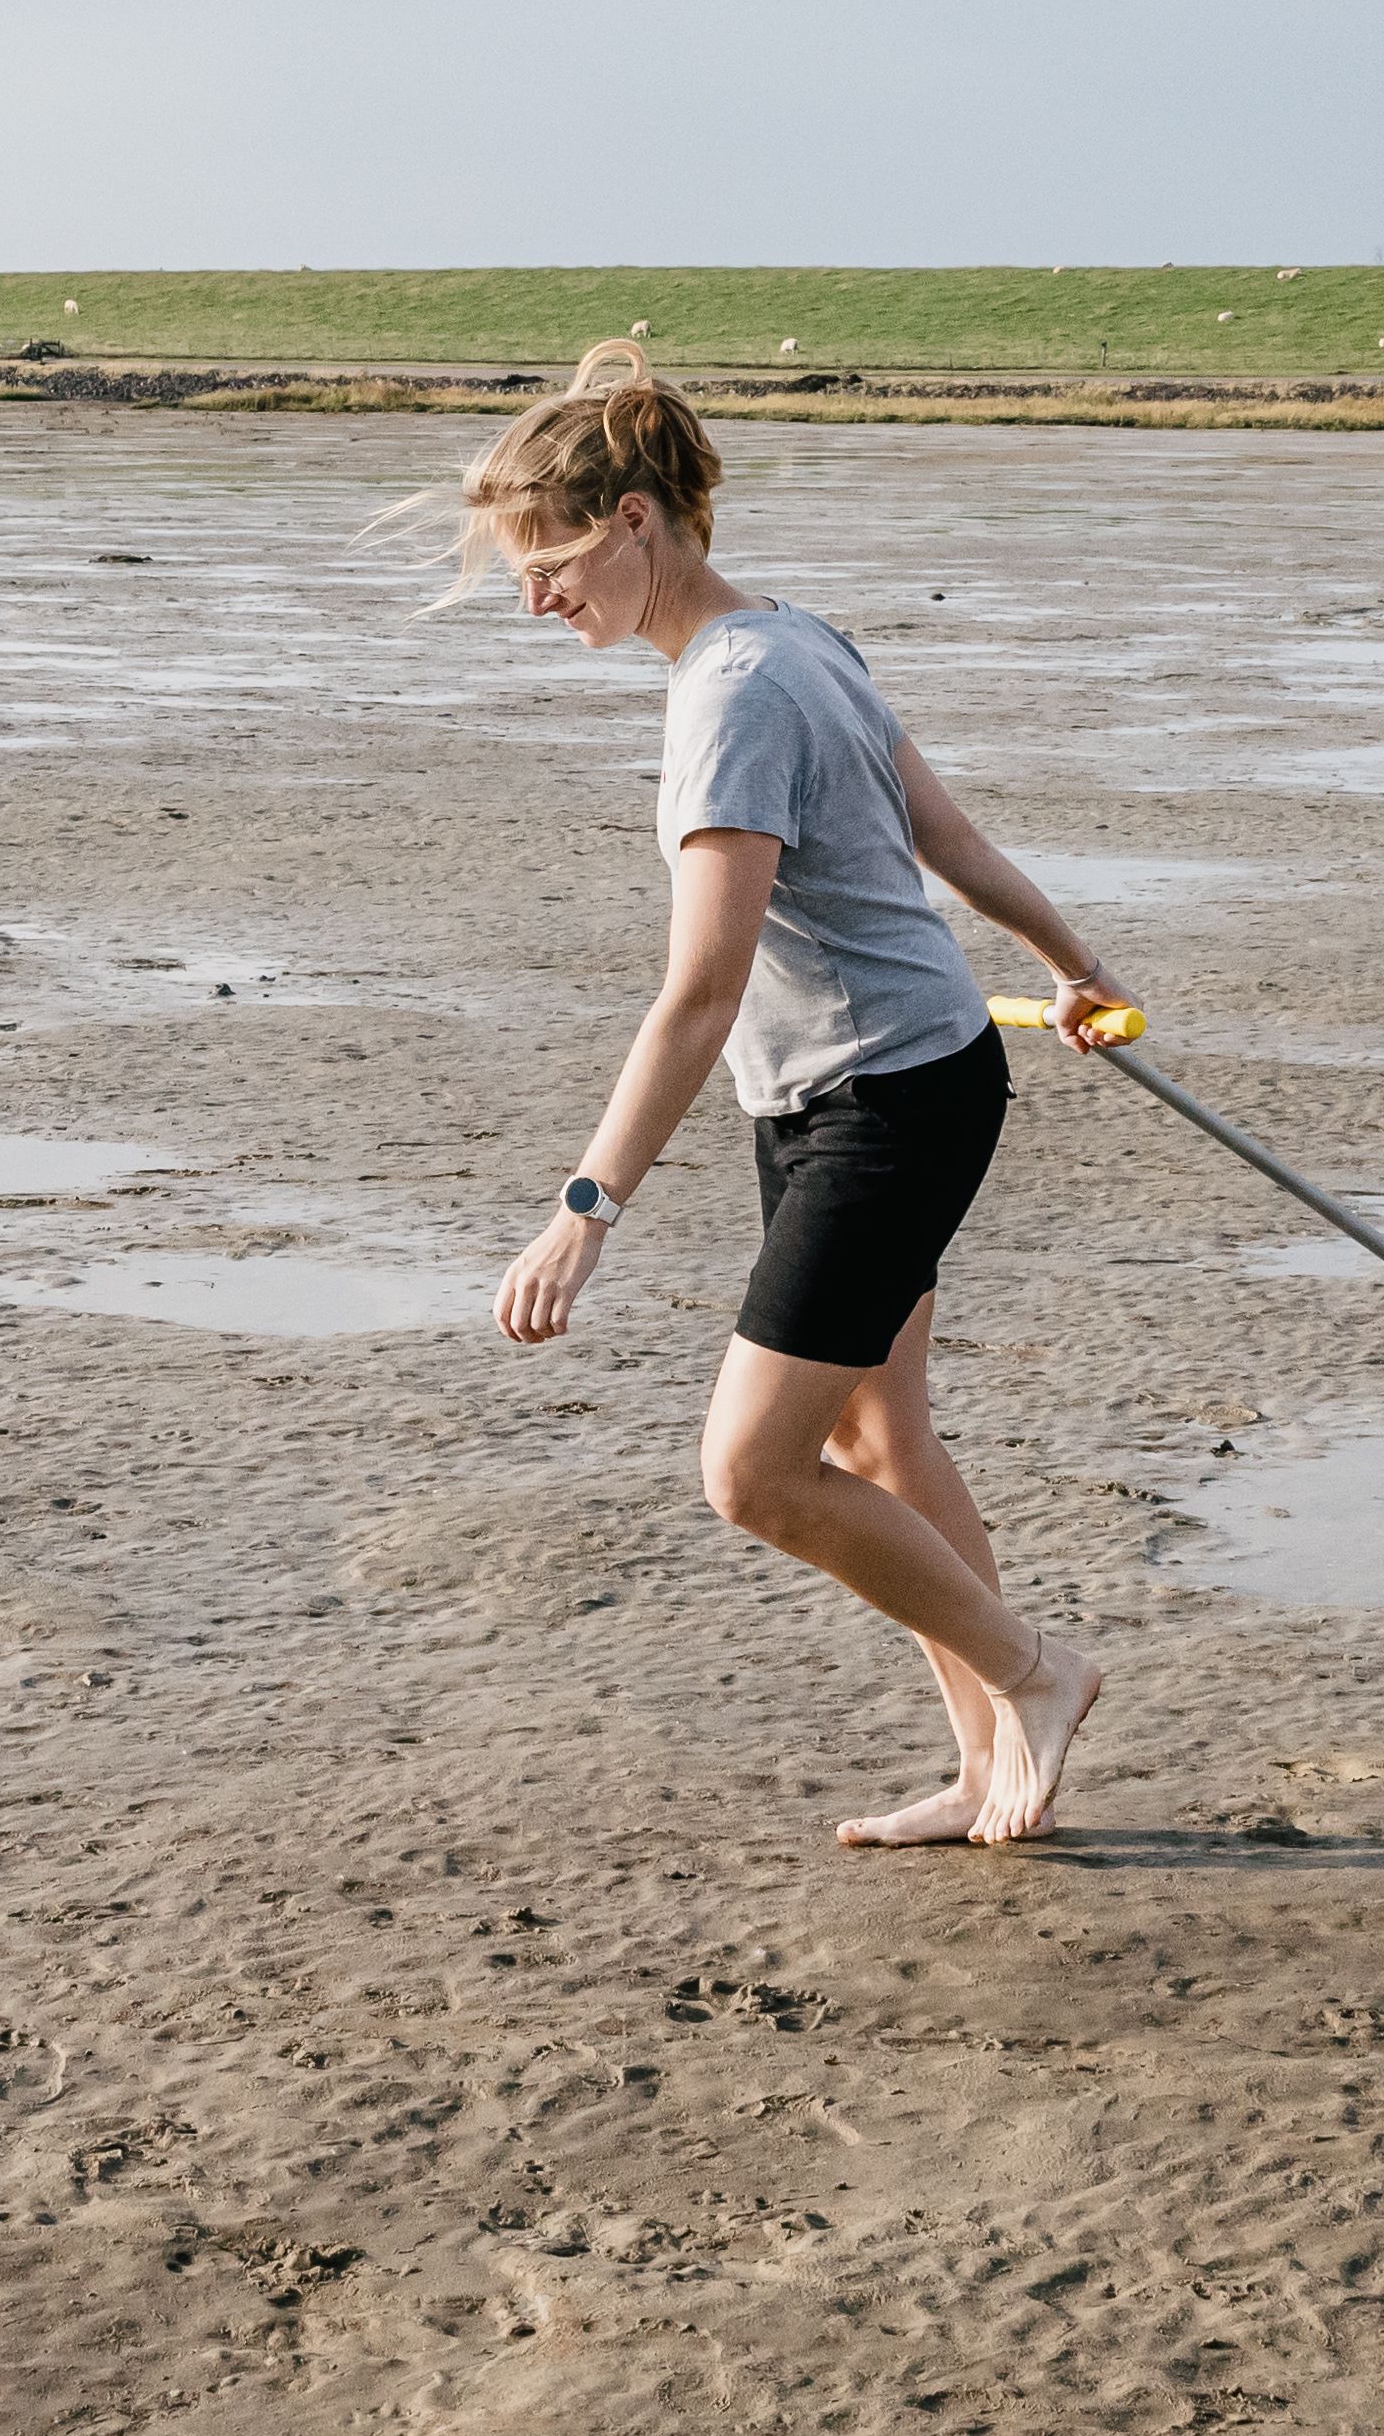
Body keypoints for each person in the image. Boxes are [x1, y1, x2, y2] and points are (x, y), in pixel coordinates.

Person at [465, 351, 1134, 1846]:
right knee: (876, 1445)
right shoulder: (792, 639)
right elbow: (937, 828)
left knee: (752, 1472)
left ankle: (1037, 1676)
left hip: (881, 1102)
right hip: (889, 1078)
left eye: (553, 565)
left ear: (636, 521)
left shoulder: (733, 700)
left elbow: (697, 992)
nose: (538, 603)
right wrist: (1072, 962)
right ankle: (984, 1765)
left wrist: (588, 1209)